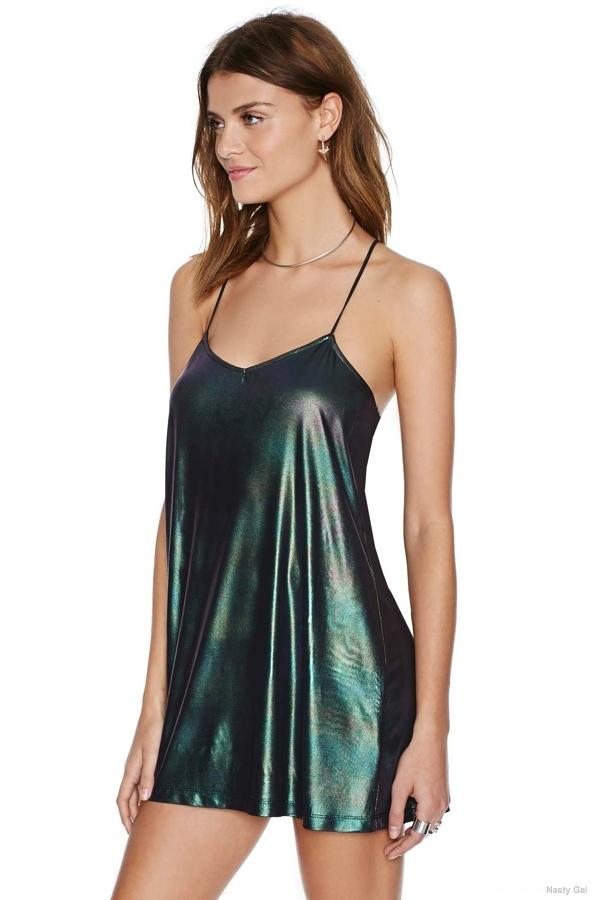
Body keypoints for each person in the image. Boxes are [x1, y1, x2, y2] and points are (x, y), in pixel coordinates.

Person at [111, 11, 456, 900]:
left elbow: (427, 523)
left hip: (347, 681)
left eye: (252, 117)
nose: (227, 144)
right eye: (216, 123)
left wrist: (431, 730)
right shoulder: (202, 287)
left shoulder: (405, 293)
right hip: (216, 681)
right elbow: (181, 506)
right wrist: (154, 709)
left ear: (325, 116)